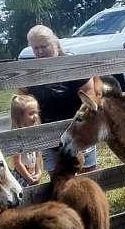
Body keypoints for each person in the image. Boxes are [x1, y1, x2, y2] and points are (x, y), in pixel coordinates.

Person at [18, 25, 97, 174]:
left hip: (77, 130)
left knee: (88, 174)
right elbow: (23, 99)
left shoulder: (73, 64)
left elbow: (89, 95)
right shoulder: (30, 70)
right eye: (36, 48)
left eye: (44, 46)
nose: (40, 52)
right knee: (58, 179)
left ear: (55, 43)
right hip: (48, 132)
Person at [9, 94, 43, 187]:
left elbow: (37, 156)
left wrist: (39, 172)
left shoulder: (34, 133)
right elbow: (17, 163)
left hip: (33, 175)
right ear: (20, 117)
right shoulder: (17, 137)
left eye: (36, 112)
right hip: (21, 177)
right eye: (31, 113)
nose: (35, 116)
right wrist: (28, 178)